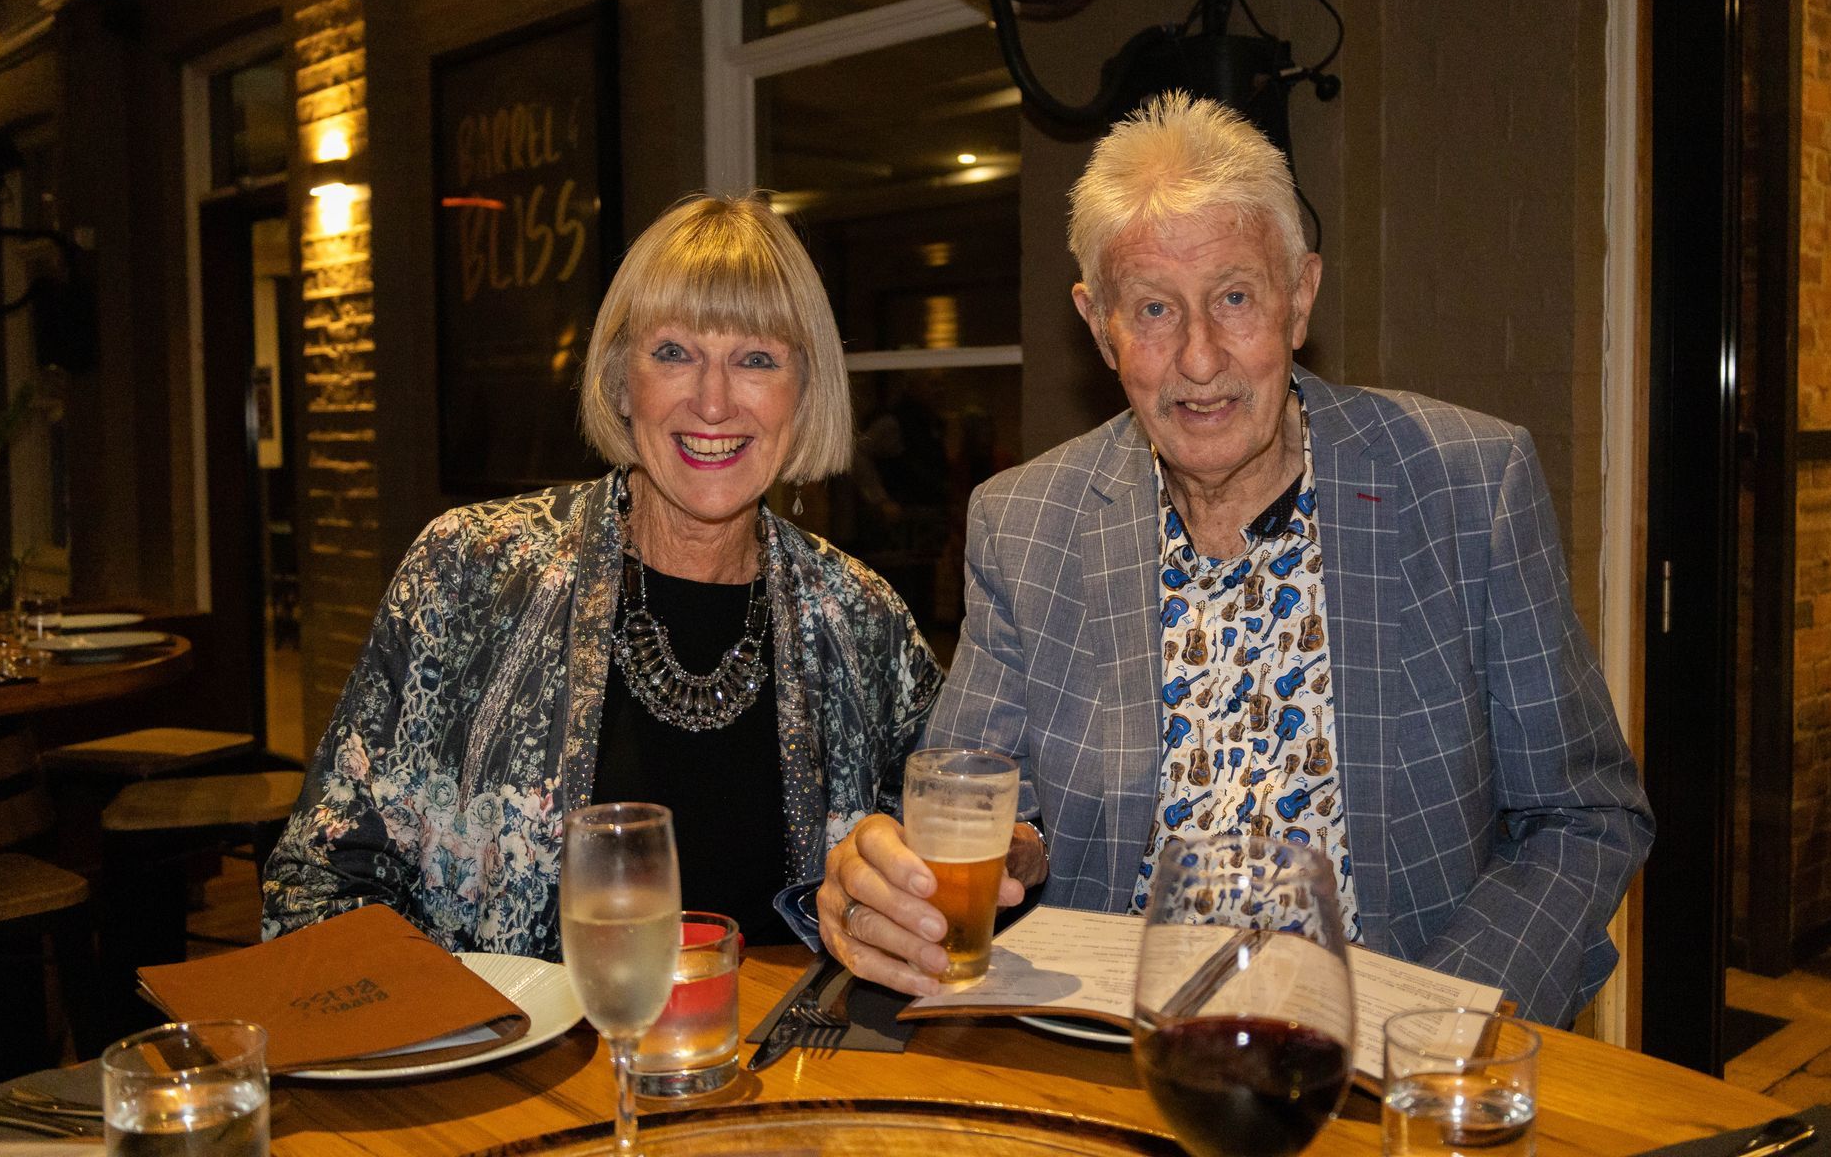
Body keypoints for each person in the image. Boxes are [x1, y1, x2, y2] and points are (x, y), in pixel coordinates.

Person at [819, 92, 1653, 1026]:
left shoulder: (1465, 486)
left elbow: (1583, 818)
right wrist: (909, 881)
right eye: (1153, 310)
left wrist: (1440, 1022)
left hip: (1390, 1065)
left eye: (1235, 297)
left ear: (1301, 295)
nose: (1201, 358)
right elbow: (969, 798)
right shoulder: (1026, 522)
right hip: (1114, 1059)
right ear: (1100, 328)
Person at [263, 195, 943, 956]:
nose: (713, 401)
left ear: (805, 393)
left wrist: (909, 897)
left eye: (756, 359)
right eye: (675, 353)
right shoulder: (469, 573)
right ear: (622, 383)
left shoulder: (861, 618)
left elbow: (964, 843)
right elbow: (317, 882)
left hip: (776, 1066)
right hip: (510, 1063)